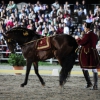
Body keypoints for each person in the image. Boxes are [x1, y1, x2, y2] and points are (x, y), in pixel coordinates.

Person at [75, 22, 100, 90]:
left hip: (87, 53)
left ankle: (89, 83)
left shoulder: (87, 35)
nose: (84, 29)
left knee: (84, 68)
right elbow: (96, 40)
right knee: (94, 69)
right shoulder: (95, 35)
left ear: (88, 28)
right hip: (94, 52)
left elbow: (82, 42)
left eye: (85, 28)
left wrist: (77, 39)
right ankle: (95, 85)